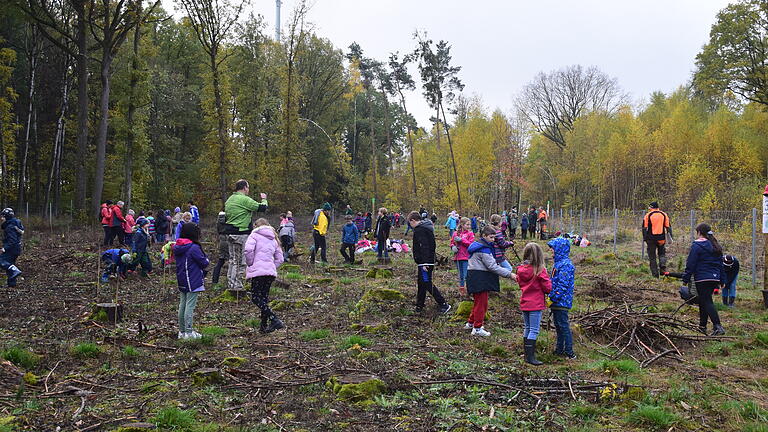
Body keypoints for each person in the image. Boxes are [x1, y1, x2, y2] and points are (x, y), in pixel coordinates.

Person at [464, 225, 515, 337]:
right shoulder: (484, 250)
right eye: (491, 237)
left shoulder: (479, 246)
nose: (493, 240)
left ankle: (471, 323)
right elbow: (492, 266)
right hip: (480, 278)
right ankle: (477, 328)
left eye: (494, 237)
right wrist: (509, 274)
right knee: (482, 304)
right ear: (484, 236)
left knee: (478, 302)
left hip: (475, 277)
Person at [682, 223, 726, 336]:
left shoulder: (697, 246)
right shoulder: (715, 246)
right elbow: (720, 264)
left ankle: (718, 326)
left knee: (707, 301)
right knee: (704, 300)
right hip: (714, 278)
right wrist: (722, 280)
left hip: (702, 278)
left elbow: (691, 263)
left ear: (699, 232)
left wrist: (686, 277)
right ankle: (702, 326)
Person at [244, 218, 285, 333]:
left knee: (256, 298)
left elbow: (248, 250)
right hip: (269, 273)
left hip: (258, 273)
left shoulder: (254, 235)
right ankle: (263, 326)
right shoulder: (274, 237)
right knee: (264, 298)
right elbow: (280, 259)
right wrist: (271, 266)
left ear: (256, 225)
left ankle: (274, 319)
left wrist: (251, 263)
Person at [224, 180, 265, 291]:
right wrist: (264, 199)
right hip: (241, 234)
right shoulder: (244, 199)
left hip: (230, 233)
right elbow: (262, 208)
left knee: (232, 260)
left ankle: (231, 283)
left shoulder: (229, 199)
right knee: (241, 261)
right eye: (248, 187)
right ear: (244, 188)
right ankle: (236, 286)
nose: (248, 190)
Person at [408, 211, 451, 315]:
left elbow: (425, 246)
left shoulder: (420, 230)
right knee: (421, 283)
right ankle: (419, 305)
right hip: (423, 262)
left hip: (425, 263)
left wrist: (425, 262)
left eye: (409, 223)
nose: (409, 225)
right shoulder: (424, 228)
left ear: (413, 220)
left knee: (427, 283)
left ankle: (443, 304)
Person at [517, 242, 552, 365]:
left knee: (527, 327)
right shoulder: (539, 271)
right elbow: (548, 288)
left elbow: (520, 283)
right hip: (535, 304)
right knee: (534, 330)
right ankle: (531, 357)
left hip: (525, 302)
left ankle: (527, 356)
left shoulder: (521, 270)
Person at [174, 222, 209, 340]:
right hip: (193, 280)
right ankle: (189, 332)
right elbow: (204, 263)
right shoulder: (193, 247)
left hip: (182, 278)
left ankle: (182, 331)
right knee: (190, 306)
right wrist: (207, 259)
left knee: (182, 304)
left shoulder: (178, 246)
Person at [548, 236, 577, 359]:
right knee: (558, 326)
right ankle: (559, 349)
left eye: (553, 249)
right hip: (556, 301)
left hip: (562, 302)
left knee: (563, 326)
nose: (551, 251)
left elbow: (562, 285)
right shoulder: (558, 264)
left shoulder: (565, 265)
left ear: (559, 249)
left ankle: (569, 352)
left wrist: (553, 297)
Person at [642, 202, 673, 278]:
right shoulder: (664, 215)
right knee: (662, 254)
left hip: (651, 239)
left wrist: (645, 238)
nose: (649, 209)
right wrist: (670, 237)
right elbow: (668, 227)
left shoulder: (648, 215)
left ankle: (655, 275)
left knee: (652, 257)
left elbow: (644, 228)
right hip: (661, 239)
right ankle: (662, 268)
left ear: (651, 207)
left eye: (649, 207)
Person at [451, 217, 475, 296]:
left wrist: (461, 240)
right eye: (467, 224)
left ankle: (469, 289)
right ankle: (462, 289)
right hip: (457, 257)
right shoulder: (455, 233)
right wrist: (453, 247)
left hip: (466, 257)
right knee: (461, 275)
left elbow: (471, 244)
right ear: (462, 224)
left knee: (466, 274)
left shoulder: (470, 233)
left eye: (469, 225)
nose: (469, 226)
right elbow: (452, 242)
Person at [0, 208, 23, 287]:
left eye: (2, 216)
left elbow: (12, 240)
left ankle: (15, 270)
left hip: (11, 249)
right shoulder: (14, 224)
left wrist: (5, 248)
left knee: (2, 261)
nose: (1, 218)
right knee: (10, 265)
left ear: (7, 217)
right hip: (15, 249)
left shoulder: (10, 226)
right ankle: (12, 284)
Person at [211, 212, 229, 285]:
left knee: (220, 261)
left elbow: (218, 230)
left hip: (222, 241)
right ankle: (229, 282)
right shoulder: (229, 219)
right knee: (233, 262)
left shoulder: (219, 221)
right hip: (229, 240)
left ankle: (215, 280)